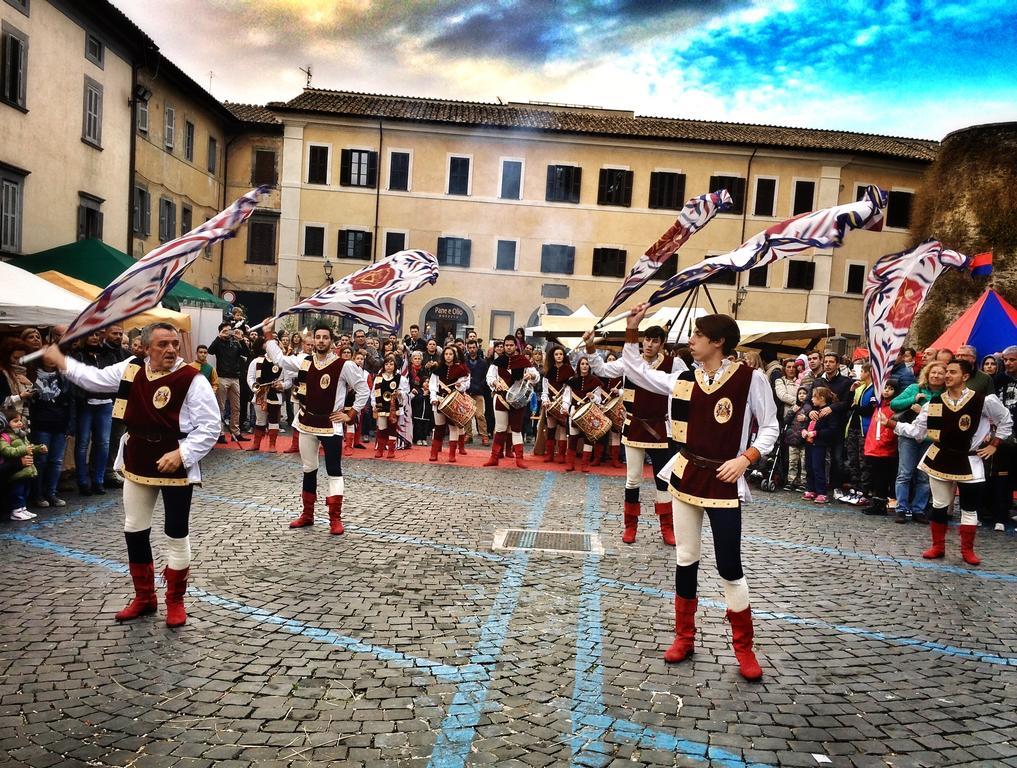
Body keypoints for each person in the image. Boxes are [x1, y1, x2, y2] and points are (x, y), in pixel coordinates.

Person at [622, 303, 778, 681]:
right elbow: (639, 374)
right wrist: (631, 331)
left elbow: (772, 426)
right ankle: (684, 637)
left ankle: (744, 648)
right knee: (686, 558)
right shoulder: (686, 378)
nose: (690, 340)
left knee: (729, 566)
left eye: (697, 335)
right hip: (687, 475)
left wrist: (748, 457)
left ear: (718, 342)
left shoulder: (749, 379)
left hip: (725, 480)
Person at [43, 323, 220, 626]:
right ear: (146, 347)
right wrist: (63, 361)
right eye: (163, 344)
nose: (171, 350)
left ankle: (175, 601)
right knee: (134, 530)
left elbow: (210, 425)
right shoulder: (131, 368)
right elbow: (95, 379)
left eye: (175, 344)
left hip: (175, 463)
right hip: (137, 458)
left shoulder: (192, 379)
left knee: (176, 532)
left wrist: (182, 454)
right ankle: (144, 597)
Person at [884, 359, 1012, 565]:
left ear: (965, 376)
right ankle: (937, 546)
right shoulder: (934, 402)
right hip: (940, 457)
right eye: (946, 372)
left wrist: (994, 444)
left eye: (952, 372)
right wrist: (890, 424)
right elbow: (918, 431)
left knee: (969, 508)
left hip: (970, 460)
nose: (947, 376)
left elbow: (1005, 421)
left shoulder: (983, 401)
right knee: (940, 505)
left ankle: (967, 550)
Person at [263, 320, 369, 535]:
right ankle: (307, 514)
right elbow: (281, 359)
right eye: (318, 337)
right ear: (313, 339)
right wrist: (268, 335)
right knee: (309, 469)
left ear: (332, 341)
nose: (321, 341)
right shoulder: (305, 361)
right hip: (306, 422)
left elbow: (363, 390)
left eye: (325, 338)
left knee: (334, 471)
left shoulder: (344, 365)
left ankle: (335, 519)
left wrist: (350, 415)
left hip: (330, 425)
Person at [586, 324, 679, 545]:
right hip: (635, 426)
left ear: (662, 344)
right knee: (633, 479)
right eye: (646, 339)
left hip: (661, 428)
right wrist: (590, 348)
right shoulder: (630, 361)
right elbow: (602, 370)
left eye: (655, 341)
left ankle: (667, 527)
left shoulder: (673, 363)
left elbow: (685, 386)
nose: (649, 344)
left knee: (663, 481)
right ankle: (631, 526)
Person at [889, 362, 945, 524]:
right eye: (933, 372)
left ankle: (918, 509)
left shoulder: (945, 395)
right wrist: (913, 399)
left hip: (930, 439)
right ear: (927, 374)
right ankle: (901, 508)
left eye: (940, 373)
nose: (936, 376)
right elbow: (894, 404)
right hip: (908, 436)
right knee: (904, 473)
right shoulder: (915, 388)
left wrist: (923, 412)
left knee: (923, 476)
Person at [70, 330, 117, 496]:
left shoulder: (108, 355)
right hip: (86, 405)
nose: (95, 337)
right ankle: (82, 481)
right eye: (91, 334)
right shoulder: (78, 356)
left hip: (105, 404)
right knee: (82, 444)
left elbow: (113, 377)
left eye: (97, 335)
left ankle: (98, 480)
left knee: (103, 444)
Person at [483, 336, 538, 469]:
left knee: (517, 430)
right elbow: (489, 376)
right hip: (501, 398)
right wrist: (495, 382)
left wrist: (531, 376)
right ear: (504, 346)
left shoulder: (522, 360)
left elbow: (535, 375)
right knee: (501, 428)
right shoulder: (497, 362)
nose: (508, 347)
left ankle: (519, 458)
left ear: (515, 346)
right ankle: (494, 457)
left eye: (511, 345)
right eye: (506, 345)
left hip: (517, 401)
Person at [28, 351, 72, 508]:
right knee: (41, 460)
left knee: (55, 461)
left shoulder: (62, 377)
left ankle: (51, 493)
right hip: (40, 423)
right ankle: (37, 494)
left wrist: (69, 424)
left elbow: (69, 400)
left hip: (59, 423)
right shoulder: (32, 376)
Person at [988, 345, 1017, 530]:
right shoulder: (998, 380)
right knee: (1001, 476)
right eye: (1005, 360)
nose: (1008, 363)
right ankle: (1000, 513)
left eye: (1012, 360)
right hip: (1003, 434)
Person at [861, 380, 899, 516]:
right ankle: (877, 503)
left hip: (884, 449)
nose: (887, 391)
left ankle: (880, 504)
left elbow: (890, 430)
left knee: (882, 478)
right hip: (873, 447)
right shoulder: (878, 406)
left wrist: (884, 441)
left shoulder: (892, 408)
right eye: (885, 388)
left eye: (890, 389)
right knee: (875, 477)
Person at [1, 410, 47, 520]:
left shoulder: (21, 435)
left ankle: (23, 508)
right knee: (17, 491)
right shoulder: (5, 437)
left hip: (26, 469)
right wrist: (23, 450)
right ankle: (16, 510)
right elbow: (7, 451)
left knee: (25, 490)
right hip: (16, 471)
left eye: (20, 420)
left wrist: (38, 448)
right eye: (15, 421)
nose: (20, 423)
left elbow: (29, 447)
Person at [428, 345, 470, 462]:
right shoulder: (437, 370)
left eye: (450, 354)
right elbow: (432, 386)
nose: (448, 356)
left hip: (453, 402)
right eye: (446, 354)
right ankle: (434, 453)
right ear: (443, 355)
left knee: (453, 427)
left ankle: (452, 454)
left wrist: (460, 386)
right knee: (439, 427)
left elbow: (465, 386)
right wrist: (433, 398)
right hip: (439, 401)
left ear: (454, 356)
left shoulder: (460, 370)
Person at [245, 340, 289, 452]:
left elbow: (288, 381)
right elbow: (250, 378)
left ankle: (272, 445)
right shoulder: (256, 361)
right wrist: (255, 389)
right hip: (260, 395)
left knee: (274, 421)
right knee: (260, 421)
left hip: (275, 395)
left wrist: (282, 385)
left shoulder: (283, 363)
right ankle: (256, 444)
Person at [208, 322, 249, 444]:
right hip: (222, 377)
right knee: (220, 407)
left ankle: (235, 432)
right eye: (225, 330)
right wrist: (219, 337)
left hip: (235, 378)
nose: (228, 333)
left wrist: (241, 340)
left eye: (229, 330)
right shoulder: (219, 343)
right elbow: (210, 351)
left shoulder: (236, 342)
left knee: (236, 407)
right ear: (220, 331)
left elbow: (246, 354)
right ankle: (220, 433)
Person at [562, 356, 603, 473]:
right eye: (582, 364)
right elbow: (566, 398)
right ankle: (570, 463)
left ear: (589, 366)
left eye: (586, 364)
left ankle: (585, 465)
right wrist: (565, 408)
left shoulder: (595, 381)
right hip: (574, 411)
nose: (584, 366)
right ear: (579, 366)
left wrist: (593, 396)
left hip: (589, 413)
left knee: (588, 439)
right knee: (573, 438)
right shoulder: (572, 380)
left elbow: (599, 399)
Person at [801, 387, 837, 504]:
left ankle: (822, 492)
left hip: (819, 444)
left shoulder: (828, 413)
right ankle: (811, 489)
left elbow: (832, 430)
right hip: (809, 444)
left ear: (821, 398)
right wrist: (805, 431)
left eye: (813, 396)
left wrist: (816, 433)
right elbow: (807, 423)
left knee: (818, 467)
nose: (811, 399)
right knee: (809, 466)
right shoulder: (814, 411)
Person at [540, 346, 574, 464]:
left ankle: (561, 455)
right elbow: (544, 391)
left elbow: (570, 390)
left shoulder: (570, 371)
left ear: (564, 356)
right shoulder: (548, 371)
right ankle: (550, 454)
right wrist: (545, 400)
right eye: (556, 354)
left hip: (564, 404)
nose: (559, 356)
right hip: (550, 404)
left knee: (563, 430)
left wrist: (565, 405)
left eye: (561, 354)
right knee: (550, 429)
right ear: (553, 357)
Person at [373, 354, 409, 458]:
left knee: (392, 428)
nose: (389, 366)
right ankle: (380, 449)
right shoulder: (378, 378)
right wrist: (374, 404)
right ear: (384, 365)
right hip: (381, 406)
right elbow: (373, 392)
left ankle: (391, 451)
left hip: (394, 407)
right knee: (382, 428)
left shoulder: (400, 378)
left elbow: (406, 392)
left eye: (391, 364)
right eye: (387, 364)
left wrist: (399, 394)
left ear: (395, 366)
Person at [463, 340, 491, 446]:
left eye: (473, 347)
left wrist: (480, 386)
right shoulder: (464, 361)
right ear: (467, 348)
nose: (472, 349)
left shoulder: (483, 362)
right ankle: (468, 434)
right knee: (467, 415)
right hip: (467, 391)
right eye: (469, 347)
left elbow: (486, 377)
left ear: (477, 348)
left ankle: (484, 435)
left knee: (480, 415)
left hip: (478, 391)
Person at [782, 387, 810, 491]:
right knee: (792, 461)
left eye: (804, 393)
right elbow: (786, 421)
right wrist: (791, 412)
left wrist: (806, 418)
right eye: (800, 393)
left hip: (803, 439)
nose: (802, 395)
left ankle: (803, 482)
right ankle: (791, 480)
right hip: (792, 438)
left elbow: (812, 421)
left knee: (804, 462)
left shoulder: (809, 408)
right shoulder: (794, 407)